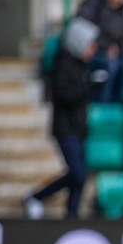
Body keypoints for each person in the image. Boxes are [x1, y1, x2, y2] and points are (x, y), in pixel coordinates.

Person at [25, 19, 97, 220]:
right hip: (65, 128)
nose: (93, 49)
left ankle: (71, 215)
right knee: (77, 173)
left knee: (81, 176)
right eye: (90, 44)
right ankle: (37, 196)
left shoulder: (81, 65)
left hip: (78, 127)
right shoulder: (63, 64)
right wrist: (88, 86)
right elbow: (64, 95)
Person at [75, 0, 123, 103]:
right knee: (111, 65)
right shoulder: (94, 8)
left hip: (115, 54)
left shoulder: (122, 13)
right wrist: (106, 47)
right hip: (95, 53)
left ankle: (116, 103)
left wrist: (119, 49)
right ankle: (104, 103)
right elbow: (87, 32)